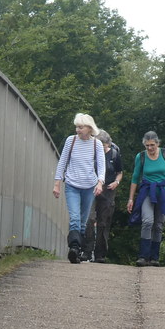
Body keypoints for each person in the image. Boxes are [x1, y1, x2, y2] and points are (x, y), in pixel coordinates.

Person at [53, 113, 106, 264]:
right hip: (72, 185)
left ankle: (78, 251)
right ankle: (74, 247)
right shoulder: (71, 141)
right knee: (75, 218)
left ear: (89, 128)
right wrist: (57, 183)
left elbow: (101, 166)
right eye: (76, 127)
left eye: (81, 127)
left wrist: (100, 183)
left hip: (89, 186)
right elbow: (62, 161)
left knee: (83, 221)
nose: (77, 130)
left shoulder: (97, 145)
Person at [126, 131, 165, 266]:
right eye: (147, 145)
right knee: (148, 221)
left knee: (159, 224)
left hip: (164, 193)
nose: (149, 148)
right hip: (147, 192)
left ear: (158, 144)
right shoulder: (141, 156)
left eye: (152, 145)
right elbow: (135, 177)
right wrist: (131, 199)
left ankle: (154, 257)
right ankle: (143, 256)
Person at [82, 130, 123, 263]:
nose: (101, 148)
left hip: (108, 190)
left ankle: (100, 253)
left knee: (103, 222)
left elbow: (119, 172)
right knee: (89, 218)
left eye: (104, 146)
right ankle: (86, 251)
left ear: (108, 144)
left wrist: (116, 182)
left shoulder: (115, 154)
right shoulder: (90, 153)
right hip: (92, 188)